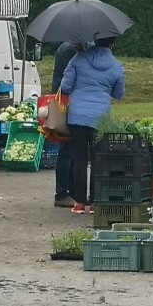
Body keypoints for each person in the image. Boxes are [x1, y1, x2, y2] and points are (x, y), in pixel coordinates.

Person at [60, 36, 125, 214]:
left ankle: (80, 202)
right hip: (100, 118)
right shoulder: (116, 66)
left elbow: (65, 86)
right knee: (98, 161)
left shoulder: (79, 58)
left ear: (95, 40)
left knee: (79, 159)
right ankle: (96, 203)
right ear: (112, 43)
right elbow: (118, 93)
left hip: (77, 116)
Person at [51, 41, 80, 209]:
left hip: (68, 101)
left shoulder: (69, 47)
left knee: (71, 150)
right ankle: (62, 193)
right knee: (66, 150)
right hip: (65, 103)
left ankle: (70, 191)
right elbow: (68, 81)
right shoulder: (70, 49)